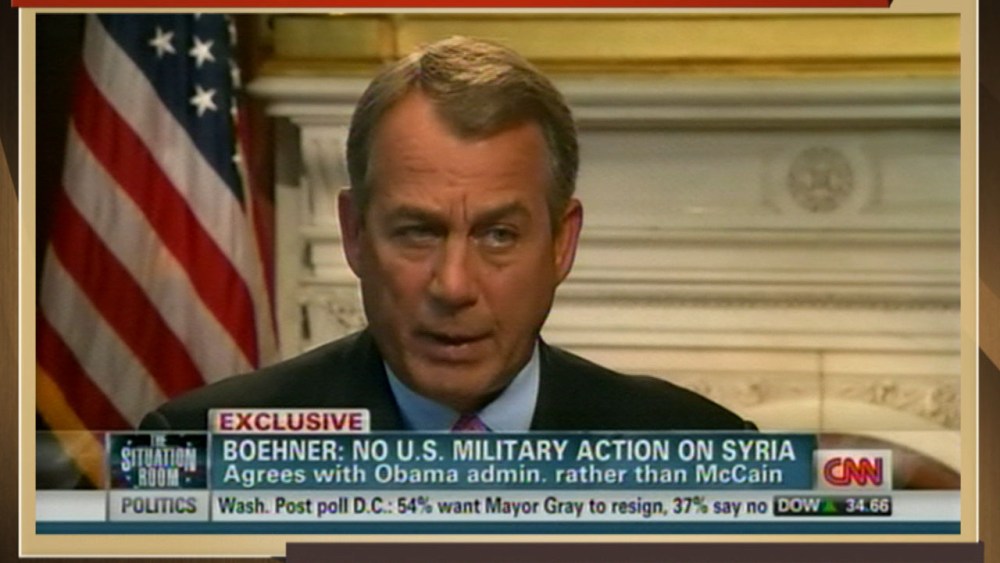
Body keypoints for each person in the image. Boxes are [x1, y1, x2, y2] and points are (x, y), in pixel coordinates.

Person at [141, 36, 753, 432]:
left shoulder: (703, 448)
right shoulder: (200, 449)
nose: (454, 286)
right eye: (417, 232)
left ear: (561, 244)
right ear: (355, 234)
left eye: (498, 235)